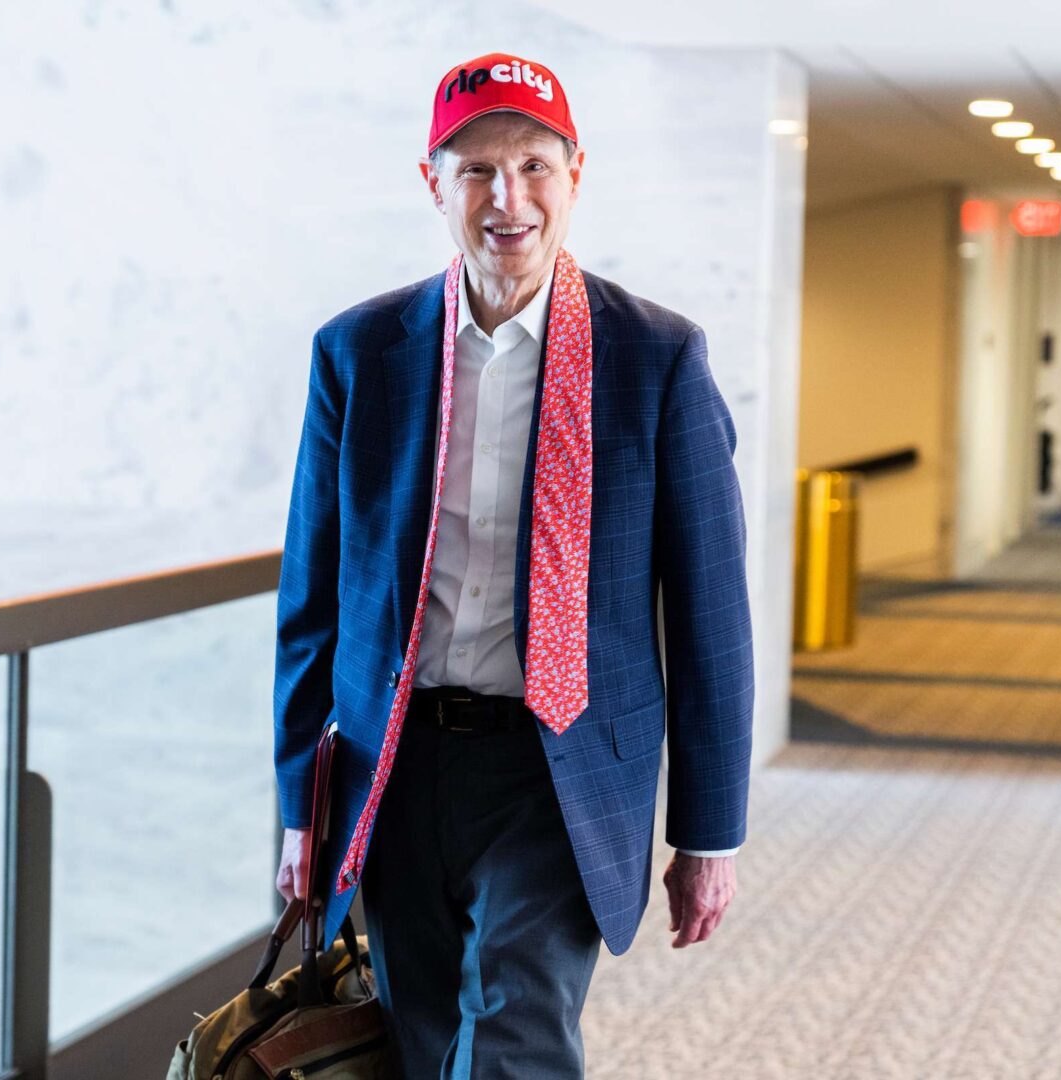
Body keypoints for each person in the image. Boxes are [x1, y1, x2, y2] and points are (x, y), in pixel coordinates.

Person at [272, 51, 754, 1078]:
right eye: (479, 170)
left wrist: (709, 832)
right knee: (422, 1041)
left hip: (556, 766)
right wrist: (296, 808)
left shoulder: (657, 359)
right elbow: (314, 602)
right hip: (394, 764)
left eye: (534, 166)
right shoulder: (358, 354)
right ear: (433, 183)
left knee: (516, 1043)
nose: (509, 199)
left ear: (577, 173)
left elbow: (710, 615)